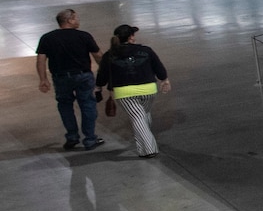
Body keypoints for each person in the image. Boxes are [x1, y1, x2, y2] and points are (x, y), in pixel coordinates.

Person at [97, 24, 170, 158]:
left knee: (137, 117)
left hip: (124, 93)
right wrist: (164, 80)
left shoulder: (109, 55)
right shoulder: (146, 50)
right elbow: (158, 67)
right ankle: (142, 148)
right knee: (143, 114)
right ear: (131, 37)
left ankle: (149, 149)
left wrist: (98, 87)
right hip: (148, 89)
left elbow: (102, 74)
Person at [34, 9, 102, 151]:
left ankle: (72, 137)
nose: (78, 20)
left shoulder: (47, 38)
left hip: (61, 77)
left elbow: (41, 60)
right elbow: (98, 56)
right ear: (69, 20)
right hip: (83, 76)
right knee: (88, 105)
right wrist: (106, 71)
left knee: (65, 105)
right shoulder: (84, 36)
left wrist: (43, 79)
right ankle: (90, 139)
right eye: (76, 18)